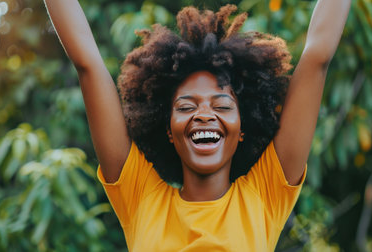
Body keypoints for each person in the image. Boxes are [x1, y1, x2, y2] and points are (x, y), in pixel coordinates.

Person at [44, 0, 351, 251]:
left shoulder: (263, 195)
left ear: (242, 126)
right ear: (168, 128)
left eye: (222, 106)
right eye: (187, 107)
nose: (204, 114)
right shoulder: (141, 198)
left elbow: (318, 57)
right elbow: (87, 63)